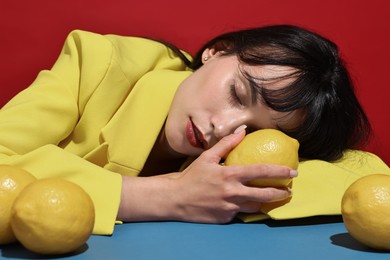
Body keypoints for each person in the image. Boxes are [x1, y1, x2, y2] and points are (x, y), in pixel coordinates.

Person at [0, 24, 371, 235]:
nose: (222, 128)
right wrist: (164, 196)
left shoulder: (235, 152)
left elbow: (364, 178)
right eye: (237, 93)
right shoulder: (97, 64)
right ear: (216, 51)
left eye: (254, 131)